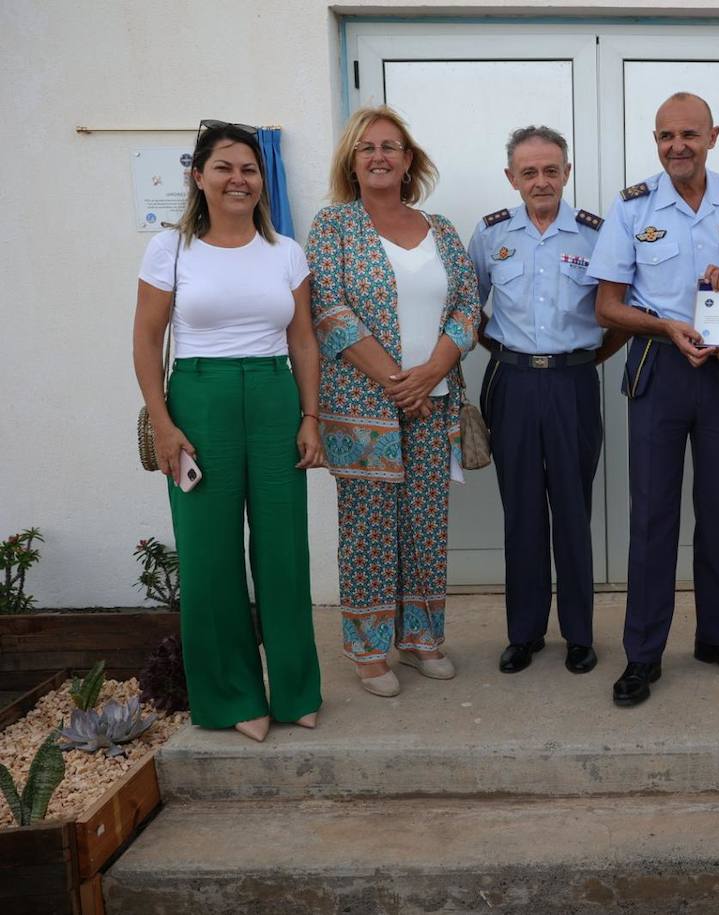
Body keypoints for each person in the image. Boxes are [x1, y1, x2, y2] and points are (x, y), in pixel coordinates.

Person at [133, 120, 324, 742]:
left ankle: (295, 690)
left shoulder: (286, 251)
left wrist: (310, 416)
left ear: (261, 179)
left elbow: (301, 337)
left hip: (274, 397)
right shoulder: (171, 250)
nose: (238, 178)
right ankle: (230, 698)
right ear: (199, 176)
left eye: (249, 168)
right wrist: (163, 422)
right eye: (225, 167)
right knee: (210, 556)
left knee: (283, 551)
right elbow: (146, 338)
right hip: (199, 400)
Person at [587, 92, 719, 707]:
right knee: (653, 517)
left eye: (689, 135)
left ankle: (715, 636)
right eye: (666, 135)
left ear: (713, 136)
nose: (677, 146)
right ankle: (643, 653)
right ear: (656, 140)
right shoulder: (633, 207)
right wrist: (667, 326)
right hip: (659, 366)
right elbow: (607, 305)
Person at [306, 106, 481, 698]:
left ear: (409, 160)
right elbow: (329, 311)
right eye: (366, 148)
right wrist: (395, 382)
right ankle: (369, 650)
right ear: (351, 163)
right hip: (364, 410)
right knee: (369, 530)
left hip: (435, 404)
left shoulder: (443, 229)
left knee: (426, 527)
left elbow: (467, 308)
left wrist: (431, 370)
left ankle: (422, 639)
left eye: (390, 146)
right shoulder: (334, 226)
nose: (378, 155)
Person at [468, 125, 624, 676]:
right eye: (529, 171)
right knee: (522, 512)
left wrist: (581, 361)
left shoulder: (595, 235)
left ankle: (579, 634)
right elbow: (470, 311)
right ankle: (525, 633)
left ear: (567, 173)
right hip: (512, 384)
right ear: (512, 177)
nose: (541, 181)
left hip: (573, 384)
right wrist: (504, 353)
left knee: (573, 511)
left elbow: (618, 313)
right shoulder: (489, 237)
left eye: (551, 170)